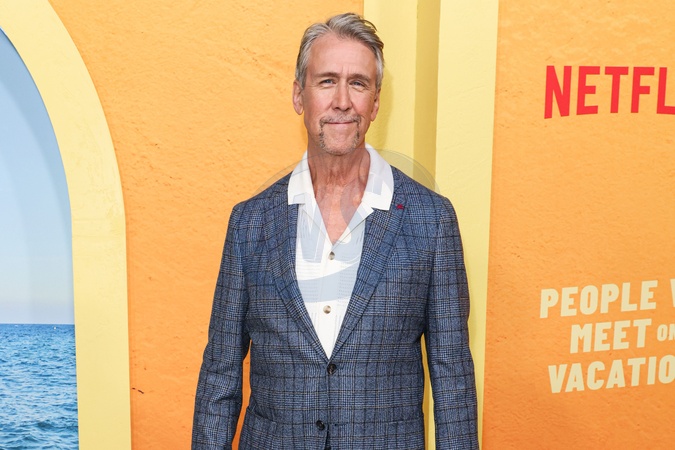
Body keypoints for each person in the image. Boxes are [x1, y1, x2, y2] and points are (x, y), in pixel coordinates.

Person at [192, 12, 478, 450]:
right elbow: (220, 375)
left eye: (358, 83)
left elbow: (452, 379)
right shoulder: (250, 223)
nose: (342, 101)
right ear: (298, 95)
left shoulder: (431, 221)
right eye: (327, 81)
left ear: (375, 103)